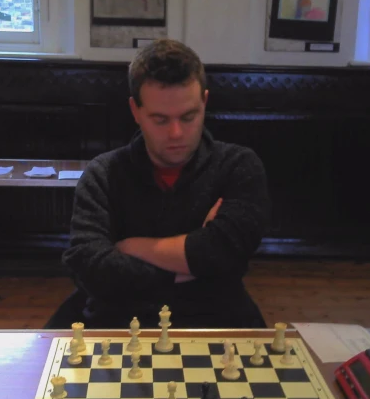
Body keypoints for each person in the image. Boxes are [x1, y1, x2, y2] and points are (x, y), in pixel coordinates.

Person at [50, 39, 271, 329]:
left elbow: (225, 252)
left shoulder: (239, 165)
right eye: (160, 119)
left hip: (215, 320)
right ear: (135, 110)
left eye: (189, 116)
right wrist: (193, 265)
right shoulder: (103, 173)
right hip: (115, 323)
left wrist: (129, 247)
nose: (177, 133)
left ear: (204, 102)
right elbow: (90, 269)